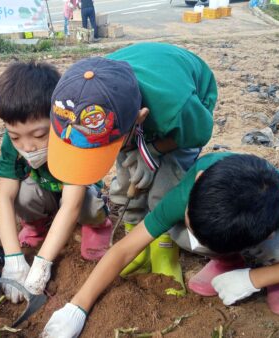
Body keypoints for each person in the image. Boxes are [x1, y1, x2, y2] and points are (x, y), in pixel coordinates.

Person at [42, 153, 279, 337]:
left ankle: (277, 272)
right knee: (178, 234)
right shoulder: (196, 184)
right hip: (235, 226)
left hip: (268, 236)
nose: (196, 243)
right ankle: (227, 260)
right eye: (189, 219)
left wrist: (255, 277)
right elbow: (123, 248)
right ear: (197, 182)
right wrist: (77, 307)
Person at [47, 42, 217, 295]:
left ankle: (164, 251)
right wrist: (132, 151)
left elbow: (198, 134)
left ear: (139, 119)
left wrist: (154, 150)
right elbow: (109, 139)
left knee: (165, 184)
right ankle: (135, 243)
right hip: (123, 120)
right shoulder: (85, 96)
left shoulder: (176, 109)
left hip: (185, 110)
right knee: (128, 175)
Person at [0, 61, 113, 303]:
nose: (27, 146)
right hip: (45, 189)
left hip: (78, 194)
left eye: (39, 135)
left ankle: (97, 226)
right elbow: (3, 198)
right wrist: (13, 259)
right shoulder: (13, 146)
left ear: (58, 118)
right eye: (15, 136)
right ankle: (37, 225)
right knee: (22, 195)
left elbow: (71, 205)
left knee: (89, 206)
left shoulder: (73, 138)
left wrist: (42, 264)